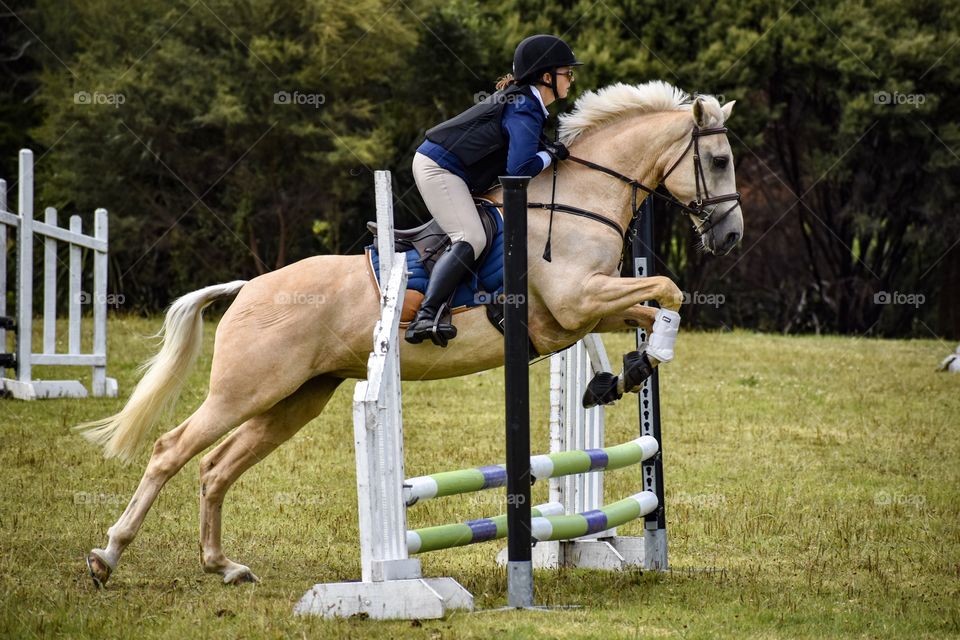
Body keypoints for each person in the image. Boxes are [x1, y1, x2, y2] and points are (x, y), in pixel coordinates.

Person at [406, 34, 583, 346]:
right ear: (546, 77)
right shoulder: (525, 105)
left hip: (453, 169)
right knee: (471, 236)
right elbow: (518, 171)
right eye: (567, 73)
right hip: (439, 167)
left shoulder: (528, 102)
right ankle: (426, 315)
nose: (571, 79)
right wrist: (551, 154)